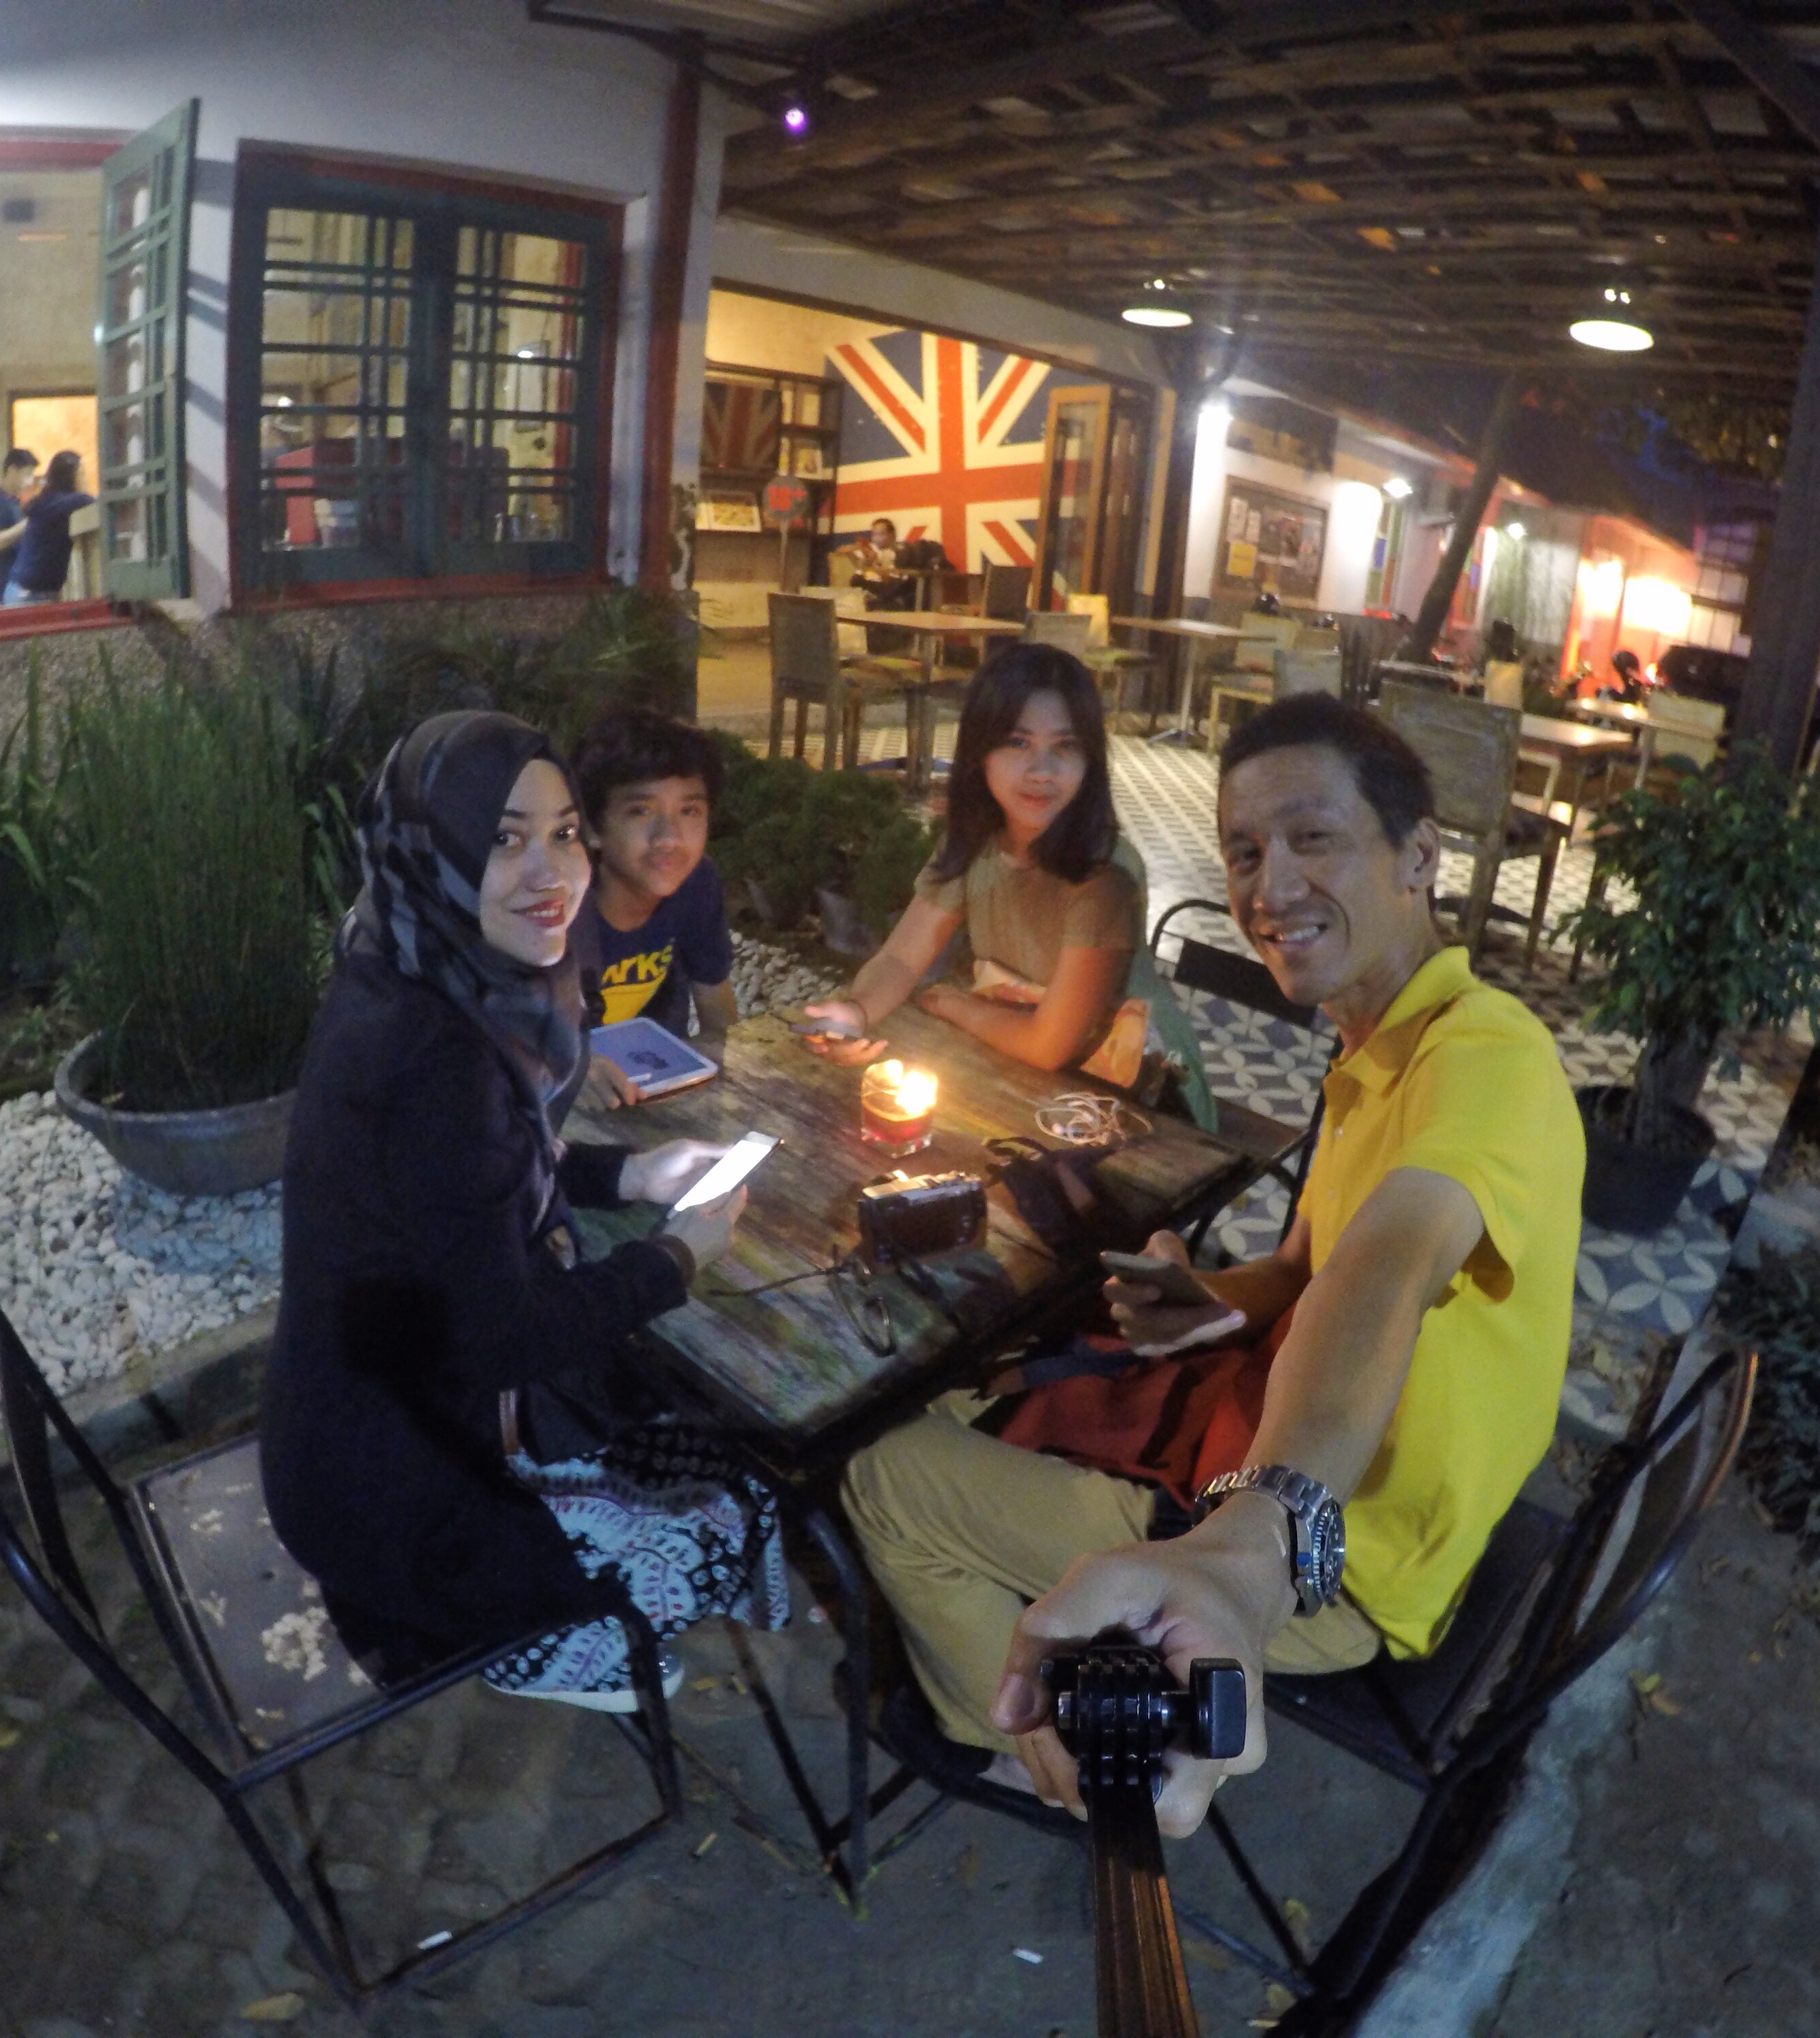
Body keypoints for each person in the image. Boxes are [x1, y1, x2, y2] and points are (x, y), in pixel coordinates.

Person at [842, 694, 1582, 1833]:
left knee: (883, 1474)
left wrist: (1251, 1545)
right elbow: (1309, 1267)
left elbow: (1384, 1270)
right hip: (1306, 1460)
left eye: (1314, 838)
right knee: (987, 1362)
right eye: (1244, 852)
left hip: (1345, 1565)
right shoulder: (1377, 1051)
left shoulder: (1489, 1058)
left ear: (1419, 856)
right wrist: (1213, 1301)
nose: (1269, 887)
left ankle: (1022, 1752)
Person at [262, 711, 783, 1711]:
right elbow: (505, 1338)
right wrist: (674, 1261)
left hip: (359, 1428)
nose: (552, 874)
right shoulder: (435, 1056)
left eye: (564, 833)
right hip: (393, 1493)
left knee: (681, 1455)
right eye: (503, 839)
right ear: (433, 850)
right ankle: (529, 1641)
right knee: (740, 1511)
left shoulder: (406, 963)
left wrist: (628, 1178)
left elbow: (469, 1183)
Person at [801, 642, 1213, 1128]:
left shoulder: (1105, 878)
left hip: (1140, 1089)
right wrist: (856, 1011)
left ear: (1090, 761)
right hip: (1035, 1069)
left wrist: (955, 1005)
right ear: (981, 752)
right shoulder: (974, 844)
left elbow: (1048, 1045)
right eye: (1018, 743)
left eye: (1065, 746)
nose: (1042, 771)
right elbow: (901, 958)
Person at [567, 707, 738, 1108]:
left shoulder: (695, 882)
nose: (670, 838)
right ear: (592, 828)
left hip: (655, 1090)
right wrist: (567, 1068)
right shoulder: (558, 903)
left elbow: (716, 1002)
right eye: (641, 811)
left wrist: (732, 1091)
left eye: (689, 811)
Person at [3, 450, 94, 606]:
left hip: (21, 590)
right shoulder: (66, 502)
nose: (86, 479)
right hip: (30, 595)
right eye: (82, 474)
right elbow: (98, 504)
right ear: (72, 476)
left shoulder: (48, 500)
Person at [0, 448, 37, 605]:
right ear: (12, 471)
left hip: (21, 583)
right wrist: (25, 526)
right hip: (10, 586)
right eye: (27, 474)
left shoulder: (14, 502)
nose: (30, 481)